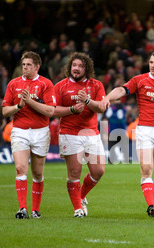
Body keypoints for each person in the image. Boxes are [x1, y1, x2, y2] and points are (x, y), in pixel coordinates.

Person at [102, 50, 154, 218]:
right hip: (144, 129)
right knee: (146, 168)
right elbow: (122, 90)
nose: (152, 65)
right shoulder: (139, 80)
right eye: (151, 62)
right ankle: (151, 206)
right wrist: (107, 98)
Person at [2, 51, 56, 219]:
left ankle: (35, 210)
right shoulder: (13, 84)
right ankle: (22, 208)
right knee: (20, 168)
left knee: (38, 173)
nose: (25, 67)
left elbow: (50, 110)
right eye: (23, 64)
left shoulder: (46, 84)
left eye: (28, 65)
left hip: (40, 131)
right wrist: (19, 106)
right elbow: (5, 111)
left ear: (37, 66)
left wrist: (30, 102)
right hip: (19, 131)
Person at [53, 52, 106, 218]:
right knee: (74, 172)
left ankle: (81, 196)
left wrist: (88, 101)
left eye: (80, 66)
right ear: (70, 67)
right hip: (70, 133)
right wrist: (71, 110)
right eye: (74, 65)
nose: (76, 69)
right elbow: (53, 110)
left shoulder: (96, 85)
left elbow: (102, 107)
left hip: (91, 132)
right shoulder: (60, 86)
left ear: (87, 69)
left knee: (98, 171)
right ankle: (78, 209)